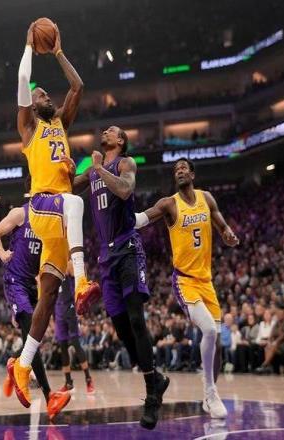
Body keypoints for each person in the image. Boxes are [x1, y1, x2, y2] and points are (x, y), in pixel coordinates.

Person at [7, 21, 101, 416]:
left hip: (60, 222)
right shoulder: (28, 127)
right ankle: (82, 282)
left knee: (45, 299)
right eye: (39, 94)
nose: (44, 94)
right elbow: (23, 79)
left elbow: (78, 87)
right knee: (74, 205)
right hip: (43, 206)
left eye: (46, 93)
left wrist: (59, 51)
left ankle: (23, 365)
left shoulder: (61, 124)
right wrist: (30, 45)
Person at [72, 126, 169, 429]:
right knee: (121, 328)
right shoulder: (92, 171)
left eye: (112, 131)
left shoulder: (125, 164)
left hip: (128, 248)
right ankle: (157, 378)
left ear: (121, 141)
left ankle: (151, 395)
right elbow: (68, 188)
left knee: (136, 319)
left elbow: (126, 190)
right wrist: (63, 168)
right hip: (105, 256)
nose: (106, 131)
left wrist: (99, 168)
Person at [134, 157, 239, 418]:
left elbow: (222, 225)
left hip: (206, 281)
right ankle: (210, 393)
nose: (179, 171)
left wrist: (228, 234)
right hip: (184, 280)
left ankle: (209, 395)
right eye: (176, 170)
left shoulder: (207, 198)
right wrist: (119, 213)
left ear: (192, 174)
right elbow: (140, 219)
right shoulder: (169, 203)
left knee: (216, 341)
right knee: (209, 330)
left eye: (183, 168)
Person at [0, 200, 68, 419]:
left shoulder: (48, 222)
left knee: (33, 338)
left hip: (32, 285)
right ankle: (49, 396)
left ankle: (16, 364)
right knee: (33, 336)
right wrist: (2, 253)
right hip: (15, 282)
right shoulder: (20, 213)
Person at [54, 261, 95, 394]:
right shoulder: (50, 264)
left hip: (70, 307)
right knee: (63, 347)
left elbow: (81, 269)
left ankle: (88, 379)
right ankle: (68, 383)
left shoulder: (68, 263)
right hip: (58, 310)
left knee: (76, 343)